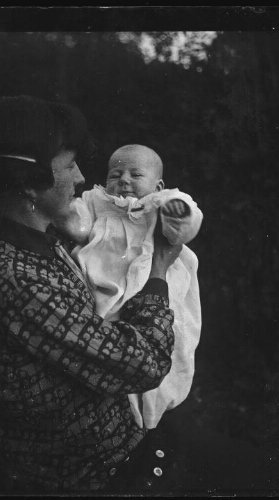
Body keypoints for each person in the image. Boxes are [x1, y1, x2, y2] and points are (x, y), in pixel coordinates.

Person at [0, 95, 182, 494]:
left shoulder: (41, 239)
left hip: (116, 444)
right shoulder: (19, 281)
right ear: (29, 182)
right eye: (68, 165)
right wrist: (160, 269)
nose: (82, 177)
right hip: (93, 476)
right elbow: (145, 364)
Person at [69, 144, 203, 430]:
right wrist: (71, 220)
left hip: (152, 285)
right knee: (116, 355)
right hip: (104, 292)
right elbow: (75, 221)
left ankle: (155, 408)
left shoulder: (162, 202)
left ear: (158, 184)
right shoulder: (96, 201)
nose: (124, 181)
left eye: (135, 174)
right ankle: (127, 412)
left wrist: (178, 214)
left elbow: (188, 222)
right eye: (115, 174)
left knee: (171, 338)